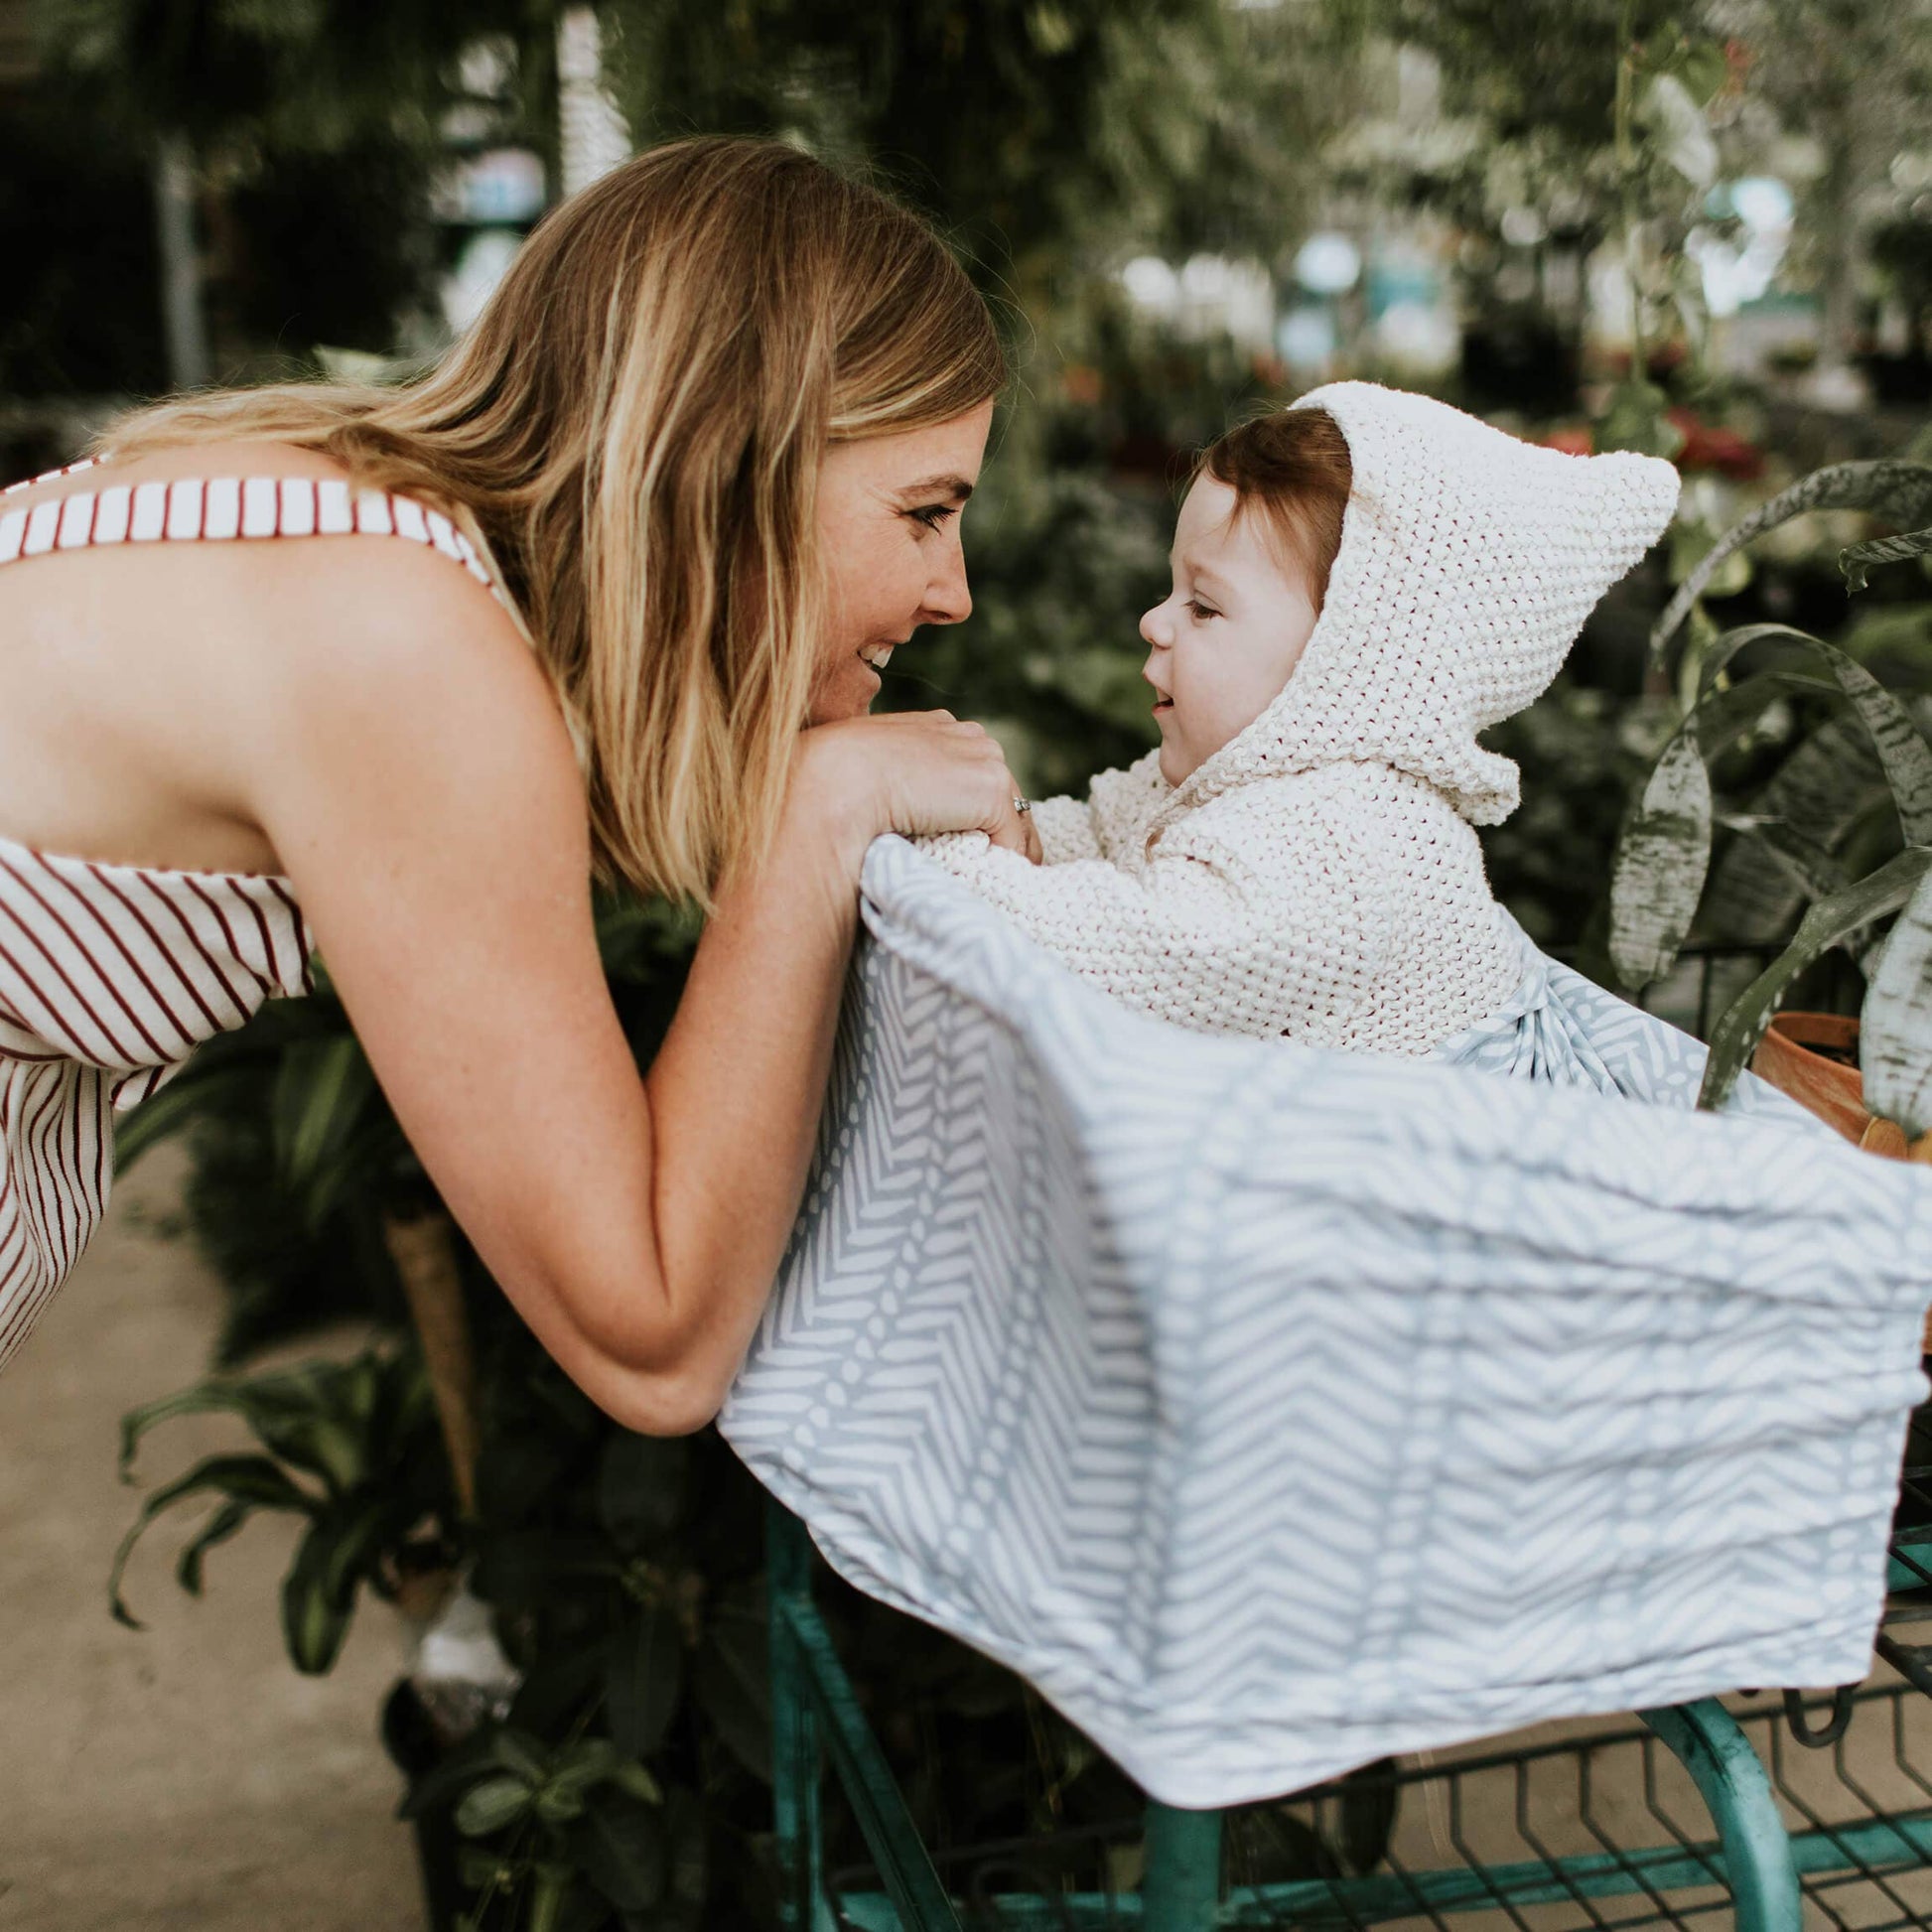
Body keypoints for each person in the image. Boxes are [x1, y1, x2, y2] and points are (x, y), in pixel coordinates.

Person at [0, 136, 1036, 1432]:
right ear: (736, 456)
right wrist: (817, 816)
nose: (953, 592)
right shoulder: (407, 647)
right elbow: (651, 1340)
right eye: (925, 512)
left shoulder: (348, 517)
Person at [915, 381, 1681, 1054]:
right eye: (1171, 588)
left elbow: (1123, 958)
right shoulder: (1242, 780)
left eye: (1204, 605)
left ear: (1350, 664)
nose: (1154, 621)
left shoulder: (1353, 843)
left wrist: (941, 858)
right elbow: (1098, 835)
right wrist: (997, 817)